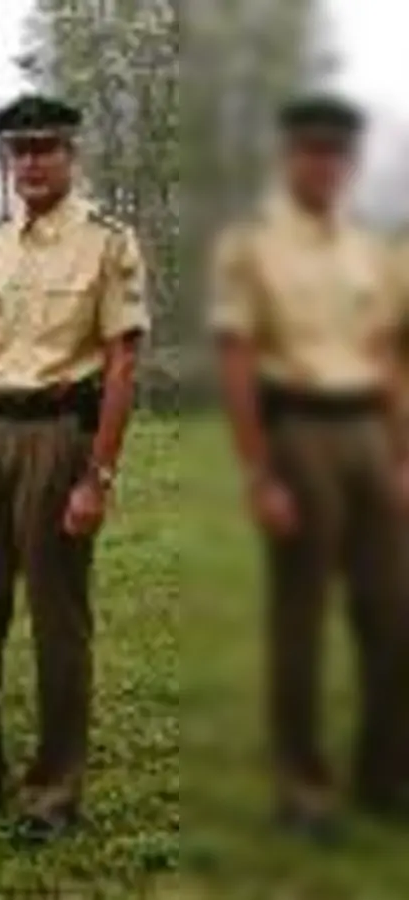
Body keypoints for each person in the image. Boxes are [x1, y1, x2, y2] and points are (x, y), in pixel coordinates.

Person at [0, 95, 151, 845]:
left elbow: (122, 361)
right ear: (8, 162)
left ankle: (53, 792)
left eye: (46, 148)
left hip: (58, 434)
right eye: (20, 151)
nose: (33, 163)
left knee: (56, 618)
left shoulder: (107, 241)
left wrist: (97, 475)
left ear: (70, 155)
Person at [209, 94, 409, 842]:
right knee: (299, 621)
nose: (322, 165)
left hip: (368, 433)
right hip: (298, 431)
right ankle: (303, 788)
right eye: (309, 151)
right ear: (289, 156)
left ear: (348, 164)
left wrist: (402, 454)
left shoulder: (371, 251)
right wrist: (260, 472)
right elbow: (236, 359)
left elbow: (391, 356)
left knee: (393, 611)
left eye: (336, 154)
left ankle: (386, 774)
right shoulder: (252, 245)